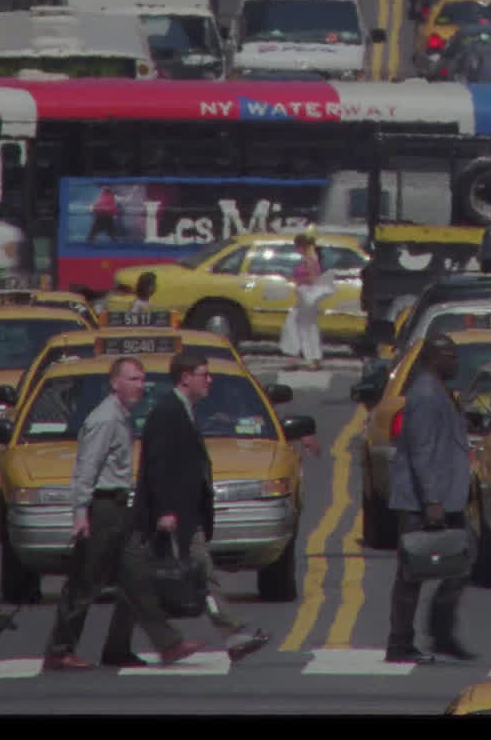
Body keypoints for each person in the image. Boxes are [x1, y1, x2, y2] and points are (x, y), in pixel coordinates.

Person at [44, 356, 195, 670]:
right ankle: (60, 650)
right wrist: (80, 514)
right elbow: (86, 468)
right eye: (133, 379)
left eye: (142, 379)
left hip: (117, 509)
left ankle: (165, 645)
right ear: (115, 382)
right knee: (86, 581)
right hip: (102, 508)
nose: (140, 386)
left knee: (138, 577)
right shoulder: (105, 419)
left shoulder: (121, 417)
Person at [137, 349, 271, 662]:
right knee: (194, 573)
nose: (209, 380)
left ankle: (229, 635)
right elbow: (157, 466)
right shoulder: (168, 412)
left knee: (145, 581)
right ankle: (232, 633)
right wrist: (165, 511)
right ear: (185, 378)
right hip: (175, 515)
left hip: (187, 512)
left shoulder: (183, 409)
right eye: (203, 374)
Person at [385, 333, 474, 665]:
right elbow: (422, 451)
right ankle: (401, 643)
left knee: (459, 564)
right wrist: (432, 501)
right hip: (423, 501)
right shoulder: (424, 393)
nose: (456, 361)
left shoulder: (437, 391)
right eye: (450, 355)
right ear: (433, 356)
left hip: (442, 498)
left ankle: (440, 633)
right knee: (412, 574)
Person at [281, 235, 329, 371]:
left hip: (306, 296)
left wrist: (300, 282)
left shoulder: (310, 260)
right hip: (305, 296)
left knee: (302, 328)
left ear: (301, 246)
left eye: (297, 246)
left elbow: (313, 279)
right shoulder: (309, 259)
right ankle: (302, 359)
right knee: (298, 326)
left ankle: (308, 360)